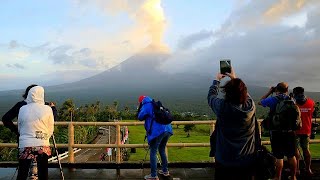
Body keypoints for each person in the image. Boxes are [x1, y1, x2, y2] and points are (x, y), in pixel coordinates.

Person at [207, 67, 256, 180]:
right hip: (247, 159)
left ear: (226, 92)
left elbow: (211, 97)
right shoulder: (250, 107)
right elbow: (244, 94)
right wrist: (235, 79)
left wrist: (217, 80)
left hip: (224, 159)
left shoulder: (222, 107)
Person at [259, 82, 297, 180]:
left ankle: (277, 177)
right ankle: (293, 177)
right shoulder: (291, 100)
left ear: (276, 89)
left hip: (276, 132)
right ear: (287, 90)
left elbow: (260, 102)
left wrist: (270, 92)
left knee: (279, 156)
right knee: (291, 156)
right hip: (290, 132)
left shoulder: (273, 99)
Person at [17, 86, 54, 180]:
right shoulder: (48, 109)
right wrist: (44, 138)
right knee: (43, 173)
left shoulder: (22, 109)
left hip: (25, 144)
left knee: (22, 173)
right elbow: (50, 128)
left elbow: (20, 127)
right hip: (42, 143)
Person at [137, 95, 173, 180]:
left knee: (153, 152)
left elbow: (140, 117)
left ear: (141, 101)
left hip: (158, 132)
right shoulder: (155, 104)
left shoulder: (146, 105)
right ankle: (165, 171)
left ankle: (153, 175)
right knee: (162, 149)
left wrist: (141, 109)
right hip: (167, 129)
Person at [293, 86, 314, 176]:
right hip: (306, 129)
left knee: (295, 151)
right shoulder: (311, 102)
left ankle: (296, 170)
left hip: (295, 130)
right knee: (306, 149)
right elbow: (311, 114)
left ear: (295, 93)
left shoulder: (293, 103)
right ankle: (308, 169)